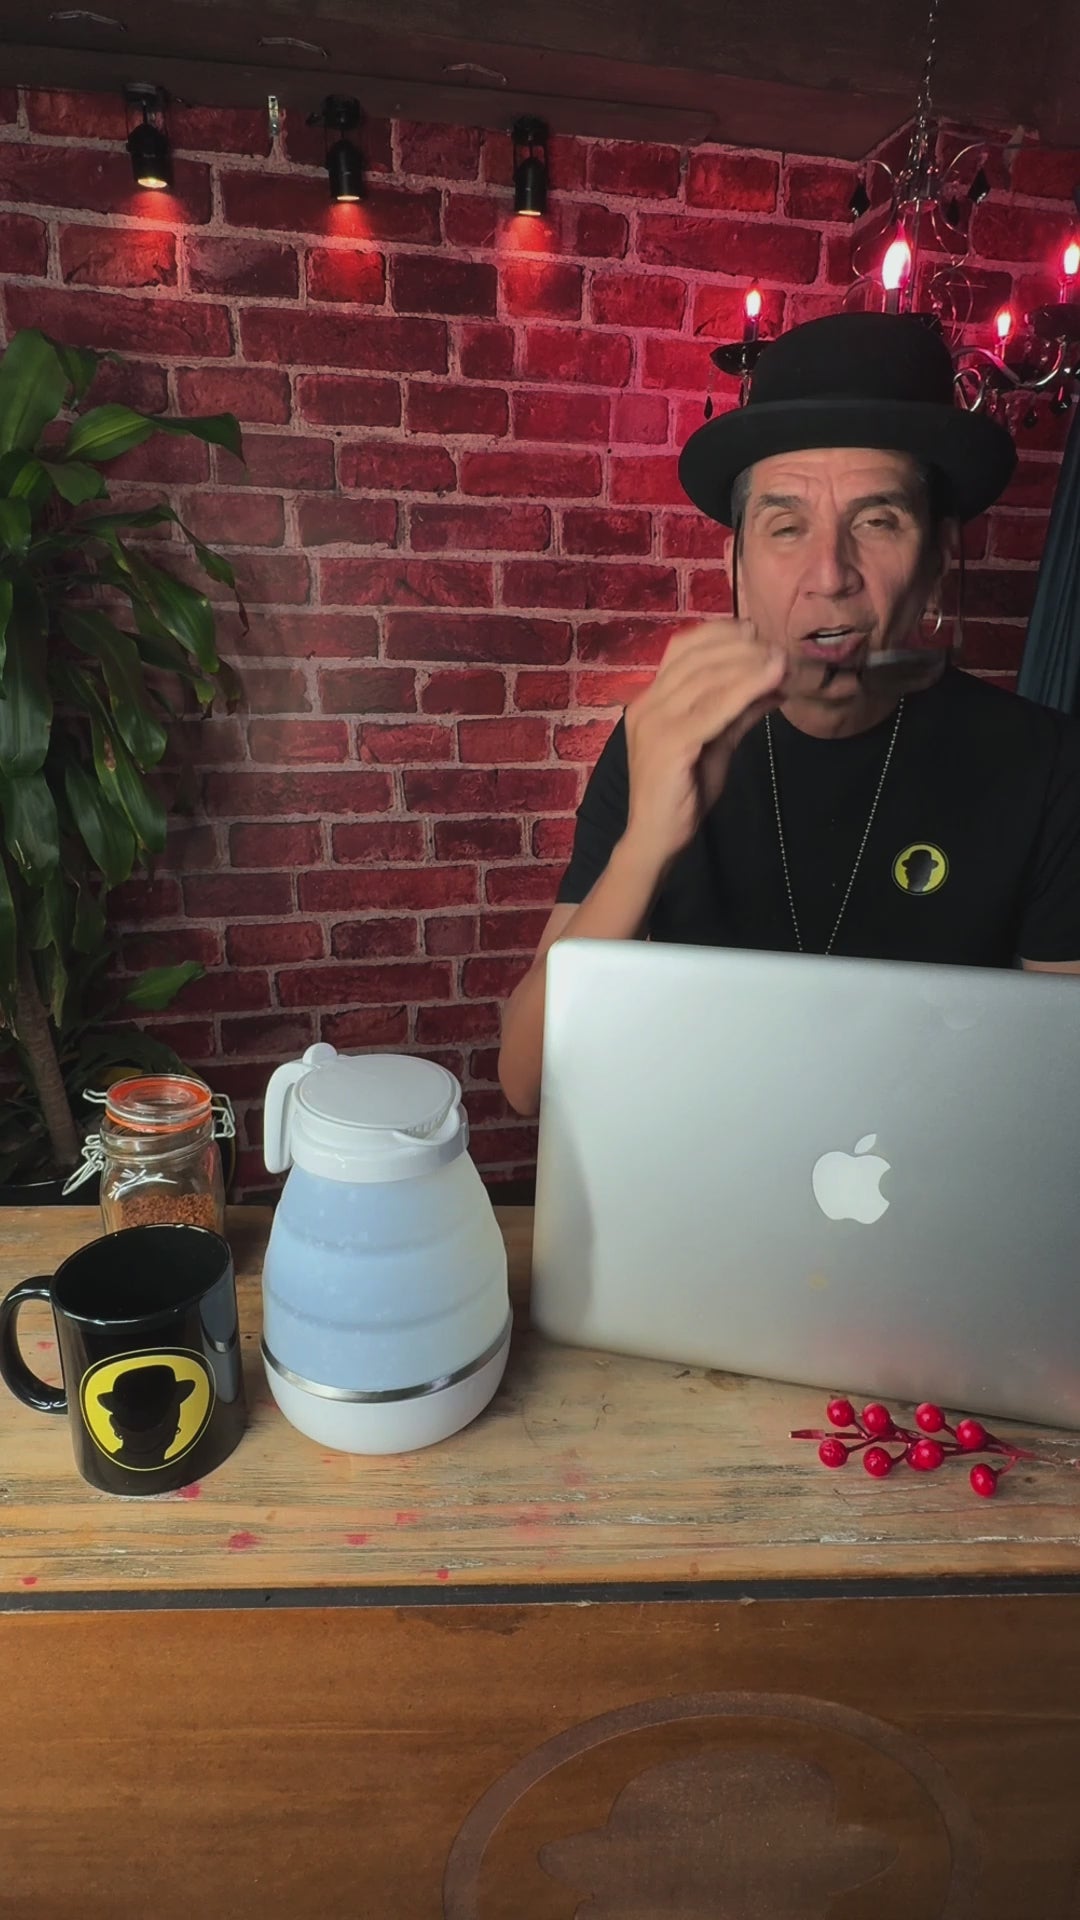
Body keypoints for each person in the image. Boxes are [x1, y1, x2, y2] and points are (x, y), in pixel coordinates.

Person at [499, 311, 1080, 1118]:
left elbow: (1062, 1096)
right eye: (785, 526)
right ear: (735, 564)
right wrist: (649, 843)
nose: (830, 573)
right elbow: (526, 1083)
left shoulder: (1048, 766)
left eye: (877, 521)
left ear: (939, 559)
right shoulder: (660, 741)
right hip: (704, 1170)